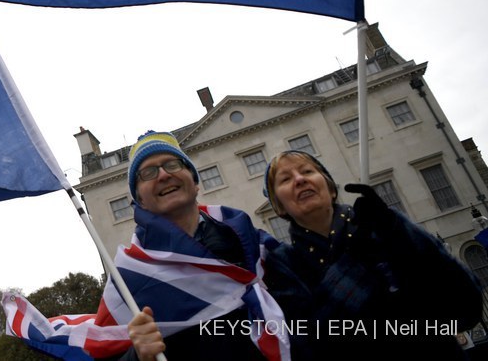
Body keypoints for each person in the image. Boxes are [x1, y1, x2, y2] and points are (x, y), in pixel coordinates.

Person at [262, 149, 483, 361]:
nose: (300, 179)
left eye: (308, 171)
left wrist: (399, 232)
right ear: (279, 206)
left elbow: (466, 308)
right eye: (285, 179)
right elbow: (312, 345)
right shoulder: (283, 264)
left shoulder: (386, 225)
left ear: (330, 188)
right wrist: (354, 264)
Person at [109, 131, 288, 361]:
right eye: (148, 172)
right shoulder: (130, 276)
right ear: (139, 200)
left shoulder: (250, 241)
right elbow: (106, 349)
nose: (163, 175)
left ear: (194, 183)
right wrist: (138, 356)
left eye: (172, 164)